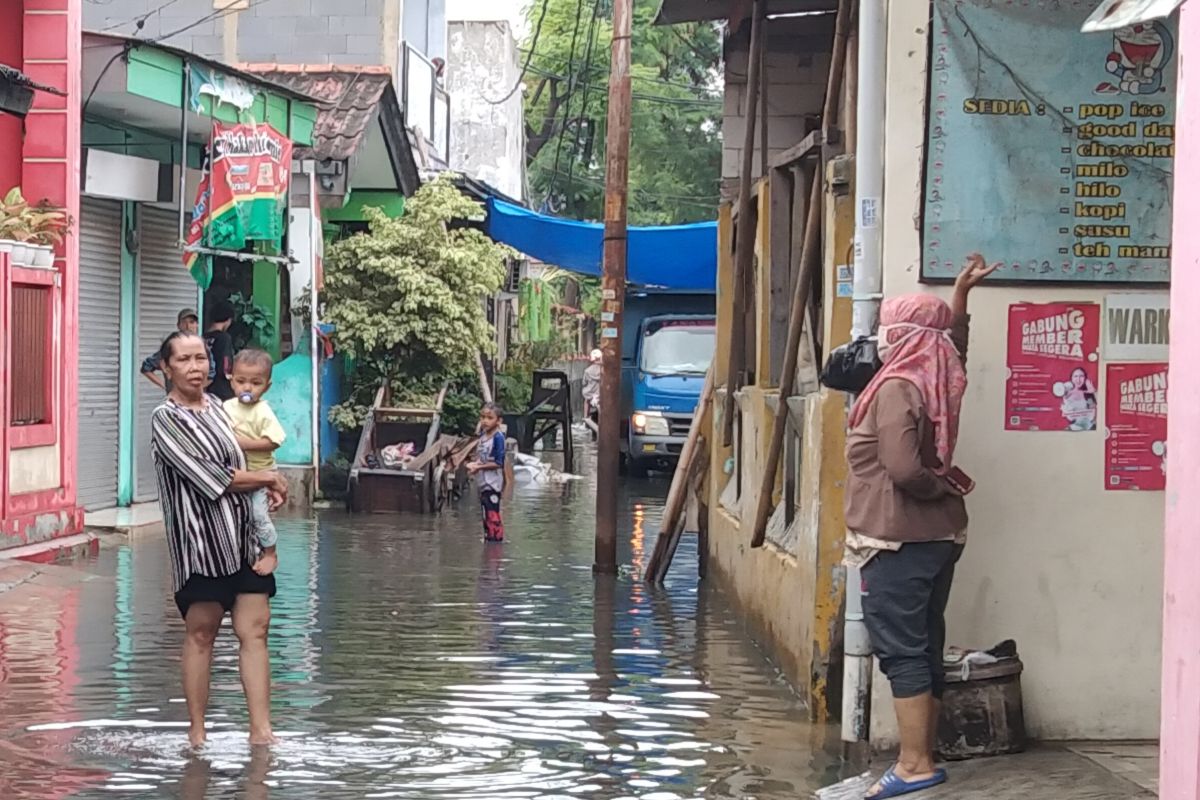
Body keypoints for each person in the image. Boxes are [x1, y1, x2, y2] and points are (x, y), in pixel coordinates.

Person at [844, 253, 997, 799]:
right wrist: (961, 298)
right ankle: (925, 756)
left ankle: (914, 765)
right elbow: (953, 341)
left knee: (902, 650)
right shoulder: (940, 374)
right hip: (938, 539)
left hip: (896, 538)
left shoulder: (896, 388)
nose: (881, 339)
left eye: (888, 329)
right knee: (926, 644)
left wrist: (938, 484)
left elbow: (904, 467)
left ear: (902, 335)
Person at [150, 331, 288, 748]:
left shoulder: (218, 408)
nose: (195, 367)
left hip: (244, 539)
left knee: (256, 630)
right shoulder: (166, 418)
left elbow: (244, 459)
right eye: (184, 360)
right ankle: (197, 732)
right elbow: (212, 477)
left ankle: (261, 732)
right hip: (201, 544)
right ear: (168, 367)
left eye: (201, 358)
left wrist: (267, 489)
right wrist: (267, 477)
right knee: (201, 633)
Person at [224, 349, 287, 574]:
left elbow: (274, 441)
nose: (247, 388)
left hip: (261, 475)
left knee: (259, 514)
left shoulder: (263, 411)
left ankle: (270, 553)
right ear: (231, 380)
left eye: (255, 383)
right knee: (241, 517)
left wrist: (241, 443)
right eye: (241, 381)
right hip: (238, 474)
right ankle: (246, 554)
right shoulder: (226, 408)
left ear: (266, 386)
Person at [140, 308, 213, 391]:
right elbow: (146, 368)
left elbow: (211, 374)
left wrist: (195, 390)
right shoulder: (171, 347)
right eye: (184, 322)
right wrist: (165, 386)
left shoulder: (203, 347)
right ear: (178, 325)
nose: (188, 326)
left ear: (197, 325)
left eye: (192, 322)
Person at [468, 402, 507, 543]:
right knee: (486, 516)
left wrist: (478, 467)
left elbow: (498, 463)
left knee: (492, 516)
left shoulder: (498, 438)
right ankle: (489, 546)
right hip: (483, 482)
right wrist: (476, 465)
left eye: (490, 418)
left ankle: (495, 546)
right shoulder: (483, 437)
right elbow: (483, 458)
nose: (485, 421)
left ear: (499, 421)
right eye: (483, 417)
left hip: (493, 484)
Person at [203, 299, 237, 401]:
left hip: (205, 387)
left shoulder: (203, 337)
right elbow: (225, 365)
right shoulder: (224, 338)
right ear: (228, 320)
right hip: (221, 389)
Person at [1060, 366, 1097, 431]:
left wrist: (1093, 392)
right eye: (1075, 376)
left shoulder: (1087, 394)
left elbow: (1093, 412)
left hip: (1087, 428)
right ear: (1071, 378)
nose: (1078, 379)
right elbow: (1065, 415)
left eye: (1081, 376)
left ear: (1085, 378)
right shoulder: (1066, 393)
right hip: (1071, 428)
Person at [582, 348, 602, 415]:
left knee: (586, 401)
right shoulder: (604, 370)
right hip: (601, 393)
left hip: (589, 393)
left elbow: (584, 383)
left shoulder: (587, 371)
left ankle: (585, 417)